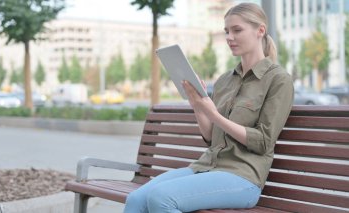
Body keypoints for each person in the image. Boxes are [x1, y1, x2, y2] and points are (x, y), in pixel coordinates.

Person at [123, 2, 294, 213]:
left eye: (237, 30)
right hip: (207, 167)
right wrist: (197, 105)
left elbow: (263, 142)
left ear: (260, 30)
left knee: (161, 198)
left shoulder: (278, 80)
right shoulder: (225, 81)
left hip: (243, 177)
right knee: (136, 199)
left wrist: (213, 113)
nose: (229, 37)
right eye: (226, 32)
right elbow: (212, 138)